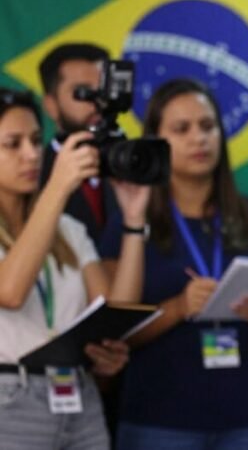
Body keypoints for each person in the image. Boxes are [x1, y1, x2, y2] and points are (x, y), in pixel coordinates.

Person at [99, 79, 248, 450]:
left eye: (207, 126)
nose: (198, 139)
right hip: (159, 420)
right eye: (181, 129)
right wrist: (178, 308)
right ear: (155, 139)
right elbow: (113, 334)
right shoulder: (132, 221)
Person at [0, 88, 150, 449]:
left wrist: (133, 220)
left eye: (37, 141)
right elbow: (10, 291)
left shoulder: (67, 228)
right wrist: (59, 185)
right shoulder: (55, 206)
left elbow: (114, 307)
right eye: (12, 144)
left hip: (78, 396)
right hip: (11, 400)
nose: (32, 154)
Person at [38, 43, 117, 245]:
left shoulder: (132, 163)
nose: (96, 102)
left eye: (102, 91)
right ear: (51, 105)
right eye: (82, 92)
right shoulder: (33, 177)